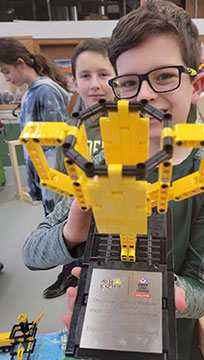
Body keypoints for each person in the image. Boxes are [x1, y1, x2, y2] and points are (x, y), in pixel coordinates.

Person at [22, 2, 204, 359]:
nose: (145, 95)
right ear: (118, 90)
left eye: (165, 76)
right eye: (128, 82)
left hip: (165, 339)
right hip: (99, 332)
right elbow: (31, 253)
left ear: (197, 84)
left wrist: (148, 290)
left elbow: (200, 291)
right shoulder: (102, 165)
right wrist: (75, 228)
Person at [42, 38, 116, 299]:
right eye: (85, 75)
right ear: (75, 82)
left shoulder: (128, 126)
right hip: (78, 218)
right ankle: (68, 271)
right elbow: (62, 180)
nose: (94, 84)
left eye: (104, 74)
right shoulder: (70, 131)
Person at [0, 38, 71, 216]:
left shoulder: (45, 91)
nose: (7, 78)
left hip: (54, 176)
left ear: (20, 63)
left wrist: (52, 183)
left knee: (57, 220)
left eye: (6, 71)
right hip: (42, 172)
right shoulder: (30, 92)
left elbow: (57, 144)